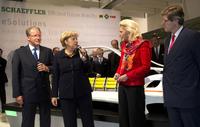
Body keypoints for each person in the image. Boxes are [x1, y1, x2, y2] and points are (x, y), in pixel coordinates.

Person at [161, 5, 200, 127]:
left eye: (165, 20)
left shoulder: (192, 37)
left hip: (188, 97)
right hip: (171, 96)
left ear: (176, 20)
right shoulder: (167, 40)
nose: (163, 23)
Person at [12, 26, 53, 127]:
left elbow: (55, 68)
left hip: (45, 93)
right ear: (28, 37)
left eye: (39, 35)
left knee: (46, 121)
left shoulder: (47, 51)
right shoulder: (19, 53)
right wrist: (17, 94)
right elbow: (15, 75)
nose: (38, 38)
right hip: (28, 94)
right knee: (27, 122)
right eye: (35, 35)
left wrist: (47, 68)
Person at [51, 31, 94, 127]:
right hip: (66, 95)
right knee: (69, 122)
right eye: (73, 39)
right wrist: (54, 95)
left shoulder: (81, 54)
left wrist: (85, 59)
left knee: (88, 121)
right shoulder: (58, 56)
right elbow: (55, 76)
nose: (76, 41)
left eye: (76, 39)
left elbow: (89, 71)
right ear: (66, 41)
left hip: (83, 93)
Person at [114, 19, 152, 127]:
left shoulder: (143, 44)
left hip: (135, 87)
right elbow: (121, 63)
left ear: (128, 31)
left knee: (135, 118)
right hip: (122, 86)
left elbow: (145, 67)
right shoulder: (124, 45)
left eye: (121, 31)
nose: (119, 34)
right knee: (123, 117)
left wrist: (128, 76)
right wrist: (118, 73)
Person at [0, 48, 8, 121]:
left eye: (0, 52)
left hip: (1, 80)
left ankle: (3, 109)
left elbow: (2, 70)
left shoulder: (3, 61)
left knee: (3, 95)